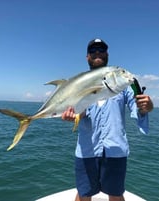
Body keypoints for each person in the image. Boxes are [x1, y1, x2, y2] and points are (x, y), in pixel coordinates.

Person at [61, 38, 153, 201]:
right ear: (87, 57)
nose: (97, 53)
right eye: (93, 51)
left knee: (116, 195)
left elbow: (137, 106)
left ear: (107, 54)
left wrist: (146, 106)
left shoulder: (121, 82)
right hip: (87, 150)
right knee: (84, 194)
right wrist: (73, 115)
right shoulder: (80, 83)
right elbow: (79, 111)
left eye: (101, 50)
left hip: (115, 150)